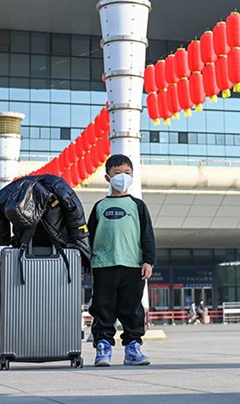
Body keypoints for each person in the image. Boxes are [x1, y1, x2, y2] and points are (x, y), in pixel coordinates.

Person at [87, 154, 156, 367]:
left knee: (132, 308)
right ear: (108, 178)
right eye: (117, 173)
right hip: (103, 265)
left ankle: (133, 348)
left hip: (133, 266)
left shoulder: (138, 206)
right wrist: (85, 263)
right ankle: (103, 348)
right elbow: (88, 237)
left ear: (133, 176)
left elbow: (147, 235)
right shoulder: (99, 206)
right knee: (102, 307)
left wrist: (148, 261)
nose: (122, 177)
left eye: (127, 173)